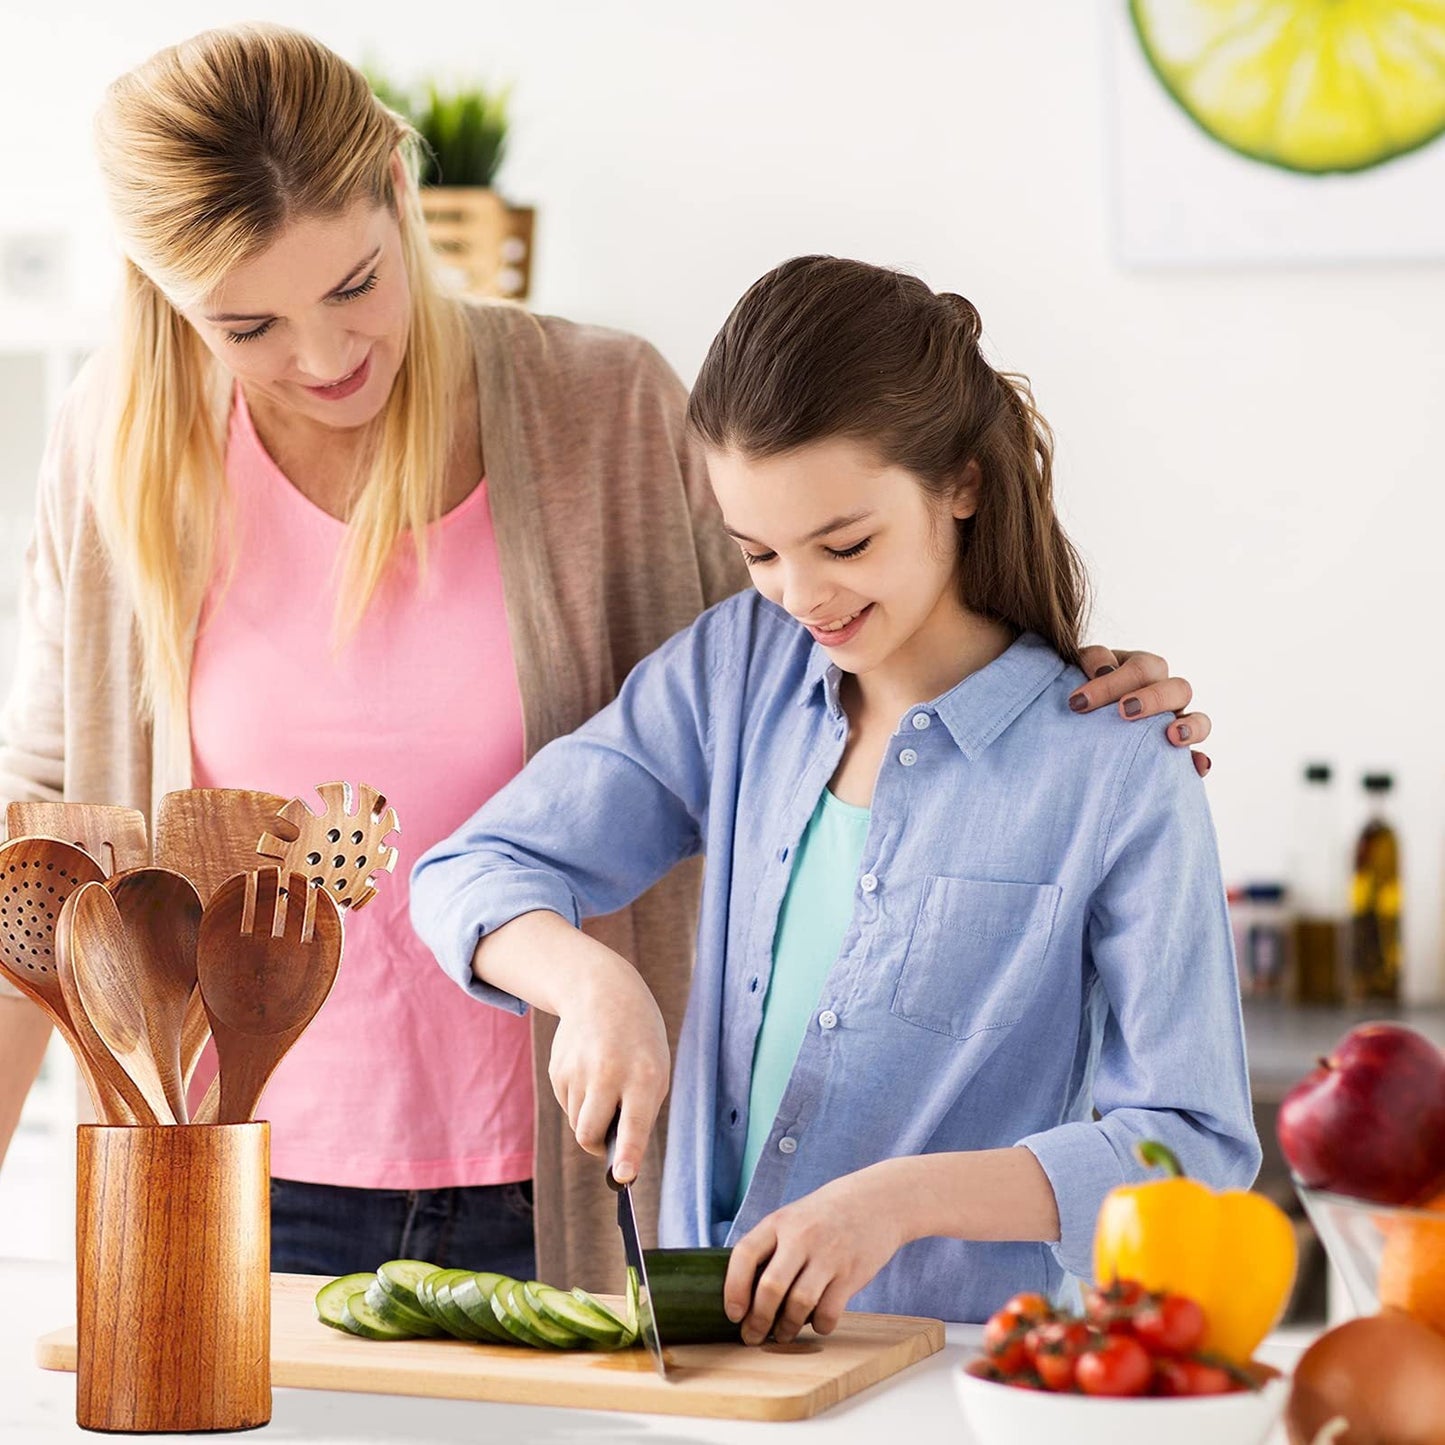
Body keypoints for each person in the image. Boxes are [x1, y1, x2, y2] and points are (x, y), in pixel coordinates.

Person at [0, 25, 1208, 1287]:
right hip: (226, 1159)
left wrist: (1051, 683)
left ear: (402, 194)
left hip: (568, 1178)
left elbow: (820, 664)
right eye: (248, 325)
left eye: (355, 286)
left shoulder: (606, 410)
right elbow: (43, 847)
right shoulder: (115, 450)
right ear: (165, 295)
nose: (323, 357)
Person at [409, 255, 1255, 1335]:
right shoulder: (734, 671)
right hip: (709, 1367)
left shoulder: (1115, 765)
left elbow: (1191, 1146)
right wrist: (590, 983)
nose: (801, 596)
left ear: (961, 483)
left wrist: (898, 1202)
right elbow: (469, 870)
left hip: (947, 1375)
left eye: (844, 543)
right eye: (758, 551)